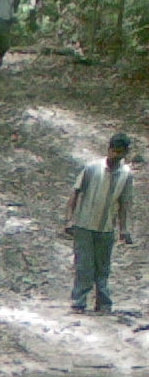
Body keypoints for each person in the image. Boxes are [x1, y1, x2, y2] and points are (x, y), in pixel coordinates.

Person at [65, 134, 134, 314]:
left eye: (120, 153)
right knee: (84, 266)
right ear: (108, 149)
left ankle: (103, 303)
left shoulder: (126, 175)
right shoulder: (92, 168)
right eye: (113, 151)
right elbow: (76, 192)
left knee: (103, 268)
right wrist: (70, 219)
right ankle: (79, 302)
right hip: (84, 225)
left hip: (106, 228)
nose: (115, 156)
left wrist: (124, 229)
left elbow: (124, 203)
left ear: (125, 153)